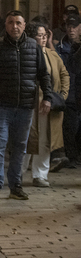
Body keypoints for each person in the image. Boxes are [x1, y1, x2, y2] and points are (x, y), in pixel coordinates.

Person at [0, 10, 53, 202]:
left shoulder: (33, 47)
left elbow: (44, 74)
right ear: (6, 25)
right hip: (1, 105)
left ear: (24, 25)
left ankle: (16, 186)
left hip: (25, 106)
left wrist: (48, 97)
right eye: (11, 22)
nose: (14, 26)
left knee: (19, 147)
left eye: (18, 23)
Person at [23, 21, 69, 187]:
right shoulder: (25, 53)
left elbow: (64, 74)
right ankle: (18, 174)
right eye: (39, 36)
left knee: (45, 140)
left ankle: (40, 175)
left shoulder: (51, 54)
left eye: (45, 36)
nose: (42, 39)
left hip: (48, 103)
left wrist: (62, 96)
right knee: (26, 139)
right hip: (29, 103)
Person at [54, 14, 81, 170]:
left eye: (75, 26)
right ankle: (71, 155)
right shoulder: (61, 47)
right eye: (69, 26)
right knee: (70, 126)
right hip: (70, 93)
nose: (71, 29)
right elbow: (68, 68)